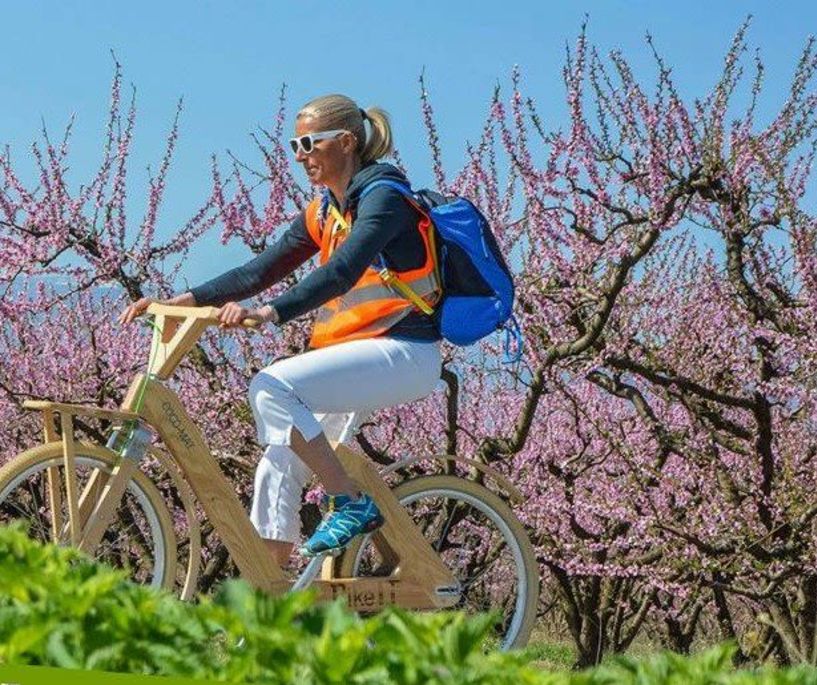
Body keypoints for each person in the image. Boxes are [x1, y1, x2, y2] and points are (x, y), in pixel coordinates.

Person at [118, 94, 443, 565]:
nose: (300, 156)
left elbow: (342, 273)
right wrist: (179, 302)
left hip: (404, 350)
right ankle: (270, 609)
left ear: (347, 142)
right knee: (276, 467)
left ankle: (348, 502)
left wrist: (271, 313)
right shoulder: (325, 211)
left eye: (309, 143)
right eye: (294, 145)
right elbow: (259, 271)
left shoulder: (385, 198)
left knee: (271, 387)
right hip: (355, 355)